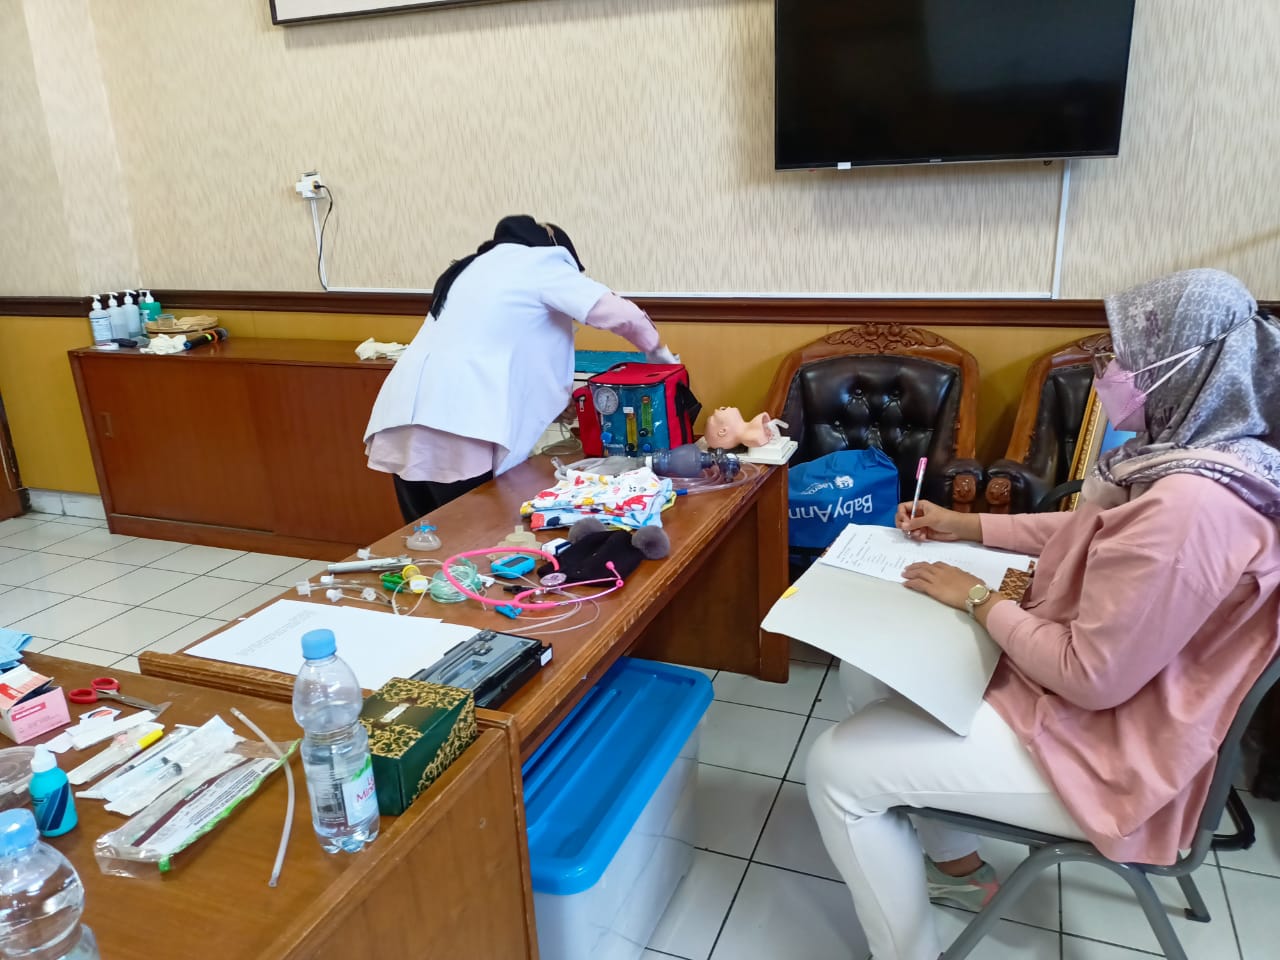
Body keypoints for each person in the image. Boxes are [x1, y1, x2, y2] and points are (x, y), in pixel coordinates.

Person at [805, 268, 1280, 960]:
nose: (1110, 372)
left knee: (835, 769)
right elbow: (1093, 533)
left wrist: (978, 599)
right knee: (867, 670)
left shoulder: (1193, 508)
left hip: (1114, 754)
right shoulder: (1202, 457)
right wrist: (966, 526)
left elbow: (1088, 677)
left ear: (1182, 368)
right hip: (1099, 701)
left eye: (1125, 356)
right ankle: (958, 869)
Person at [365, 215, 675, 522]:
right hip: (458, 425)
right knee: (473, 537)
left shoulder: (470, 272)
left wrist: (558, 404)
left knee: (423, 537)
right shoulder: (540, 263)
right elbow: (624, 315)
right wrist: (662, 359)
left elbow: (511, 351)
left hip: (400, 417)